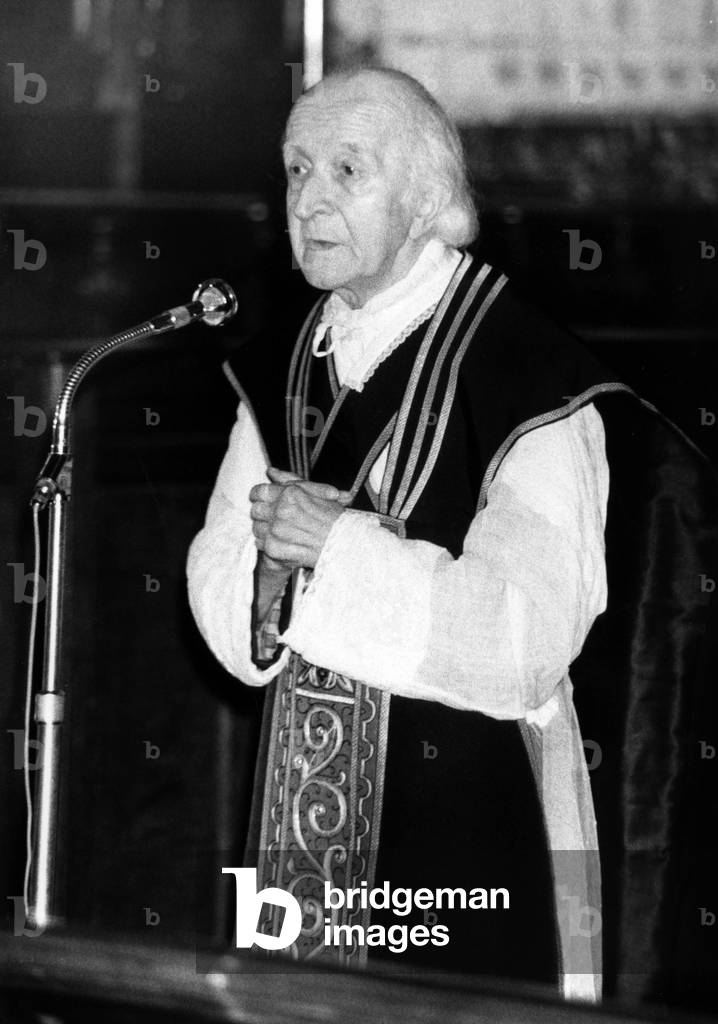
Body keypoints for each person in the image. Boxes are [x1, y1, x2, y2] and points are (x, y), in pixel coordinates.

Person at [187, 67, 718, 1006]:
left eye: (346, 171)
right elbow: (226, 600)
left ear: (429, 199)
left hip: (474, 843)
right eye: (296, 168)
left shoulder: (531, 379)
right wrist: (277, 577)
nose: (308, 198)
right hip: (294, 828)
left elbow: (523, 640)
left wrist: (336, 550)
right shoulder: (275, 371)